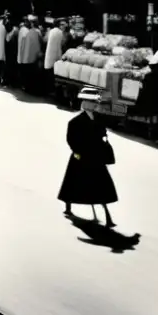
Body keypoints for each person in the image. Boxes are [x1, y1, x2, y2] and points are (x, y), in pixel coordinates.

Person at [58, 97, 118, 228]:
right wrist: (77, 152)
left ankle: (108, 216)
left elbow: (101, 132)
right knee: (73, 183)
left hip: (94, 157)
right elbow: (71, 139)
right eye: (94, 103)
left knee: (100, 185)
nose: (96, 105)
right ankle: (68, 206)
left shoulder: (96, 119)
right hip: (81, 156)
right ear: (87, 105)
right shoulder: (75, 122)